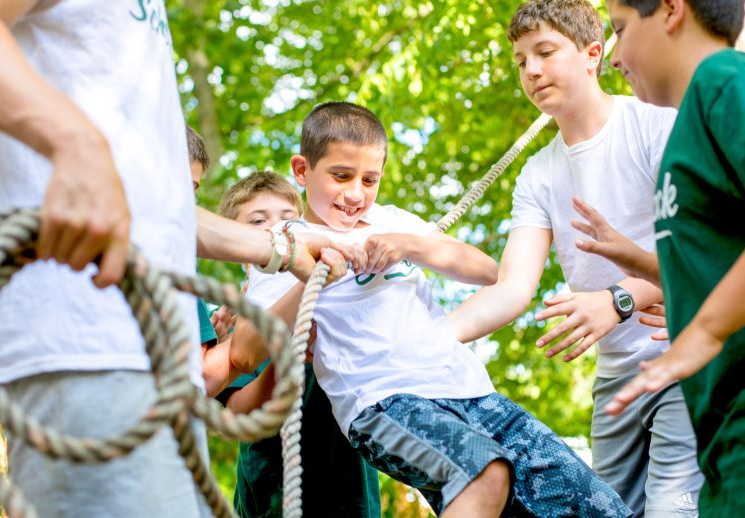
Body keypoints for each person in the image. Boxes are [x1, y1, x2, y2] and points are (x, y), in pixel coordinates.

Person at [0, 2, 348, 516]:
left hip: (161, 371)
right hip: (88, 347)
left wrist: (280, 249)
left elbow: (156, 204)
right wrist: (75, 145)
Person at [234, 101, 631, 517]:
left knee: (599, 507)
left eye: (370, 180)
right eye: (341, 176)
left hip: (469, 391)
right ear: (302, 170)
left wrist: (408, 243)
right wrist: (309, 274)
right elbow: (244, 351)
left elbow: (487, 271)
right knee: (483, 473)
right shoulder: (286, 241)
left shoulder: (392, 220)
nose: (355, 194)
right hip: (384, 400)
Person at [446, 1, 701, 514]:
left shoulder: (656, 126)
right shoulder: (537, 175)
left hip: (682, 357)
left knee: (674, 510)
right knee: (602, 510)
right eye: (520, 61)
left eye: (544, 51)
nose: (532, 70)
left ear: (592, 54)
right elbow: (513, 288)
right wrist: (419, 343)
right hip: (615, 382)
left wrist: (619, 299)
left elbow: (696, 243)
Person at [573, 0, 745, 515]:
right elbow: (724, 260)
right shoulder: (688, 131)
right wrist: (641, 261)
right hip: (726, 434)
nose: (615, 57)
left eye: (620, 29)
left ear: (670, 10)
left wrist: (704, 331)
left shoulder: (729, 78)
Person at [203, 170, 381, 518]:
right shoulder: (237, 320)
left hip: (352, 487)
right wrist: (292, 356)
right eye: (258, 221)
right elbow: (242, 410)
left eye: (290, 219)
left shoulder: (341, 296)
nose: (279, 229)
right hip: (275, 491)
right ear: (237, 246)